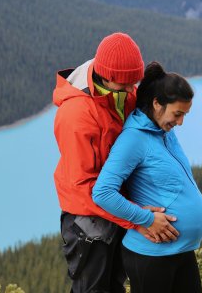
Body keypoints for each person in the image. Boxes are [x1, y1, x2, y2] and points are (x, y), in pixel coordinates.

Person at [53, 33, 178, 293]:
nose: (132, 90)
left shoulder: (122, 92)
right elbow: (85, 186)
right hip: (87, 219)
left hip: (119, 206)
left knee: (115, 286)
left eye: (135, 83)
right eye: (126, 85)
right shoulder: (76, 115)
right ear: (106, 76)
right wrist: (139, 218)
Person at [93, 61, 202, 293]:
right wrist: (145, 219)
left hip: (180, 250)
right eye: (177, 114)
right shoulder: (133, 139)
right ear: (157, 104)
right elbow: (102, 192)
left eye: (184, 115)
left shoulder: (163, 131)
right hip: (151, 254)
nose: (180, 122)